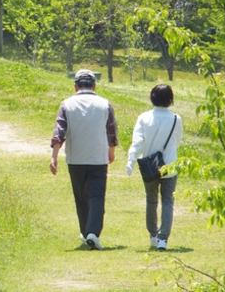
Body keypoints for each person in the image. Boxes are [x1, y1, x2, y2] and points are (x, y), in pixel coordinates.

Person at [50, 69, 118, 250]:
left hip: (76, 158)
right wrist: (111, 151)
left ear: (75, 86)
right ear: (94, 86)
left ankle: (87, 232)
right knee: (97, 197)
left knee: (81, 197)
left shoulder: (67, 104)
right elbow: (111, 130)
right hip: (98, 158)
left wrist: (54, 157)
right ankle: (92, 233)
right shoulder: (105, 104)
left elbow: (59, 132)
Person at [126, 84, 183, 251]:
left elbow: (137, 142)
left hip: (150, 166)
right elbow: (177, 141)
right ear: (170, 99)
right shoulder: (175, 119)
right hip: (169, 165)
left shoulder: (144, 117)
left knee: (151, 201)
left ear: (152, 97)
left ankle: (153, 234)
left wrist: (131, 160)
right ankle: (163, 239)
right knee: (167, 201)